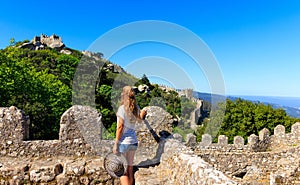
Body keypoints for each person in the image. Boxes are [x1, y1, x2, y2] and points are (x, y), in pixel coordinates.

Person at [113, 86, 147, 185]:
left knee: (123, 171)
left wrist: (116, 143)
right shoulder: (136, 107)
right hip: (133, 141)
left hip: (123, 143)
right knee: (130, 168)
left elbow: (120, 127)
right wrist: (143, 114)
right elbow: (140, 120)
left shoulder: (121, 109)